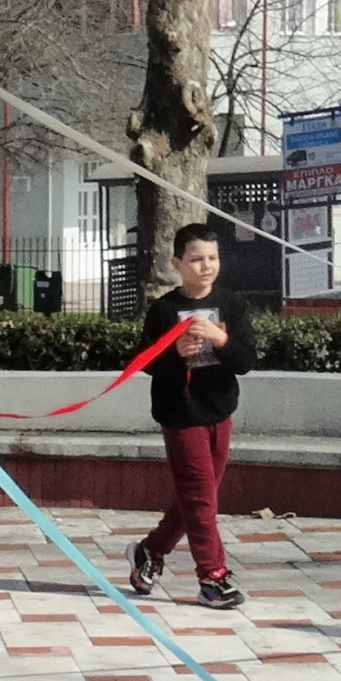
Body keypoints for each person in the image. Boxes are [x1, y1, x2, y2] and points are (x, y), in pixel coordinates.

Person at [124, 220, 257, 612]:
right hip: (180, 414)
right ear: (177, 263)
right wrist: (175, 351)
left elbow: (247, 360)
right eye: (196, 259)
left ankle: (150, 551)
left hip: (219, 409)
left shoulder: (233, 305)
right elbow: (144, 362)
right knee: (201, 498)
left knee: (199, 497)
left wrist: (221, 340)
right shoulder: (164, 309)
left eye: (213, 258)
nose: (206, 266)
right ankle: (212, 577)